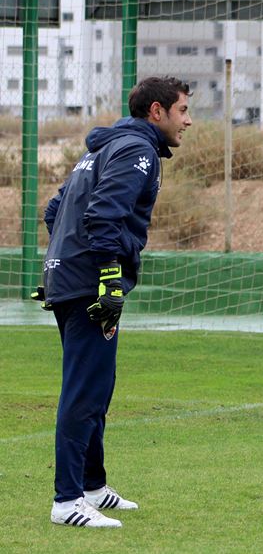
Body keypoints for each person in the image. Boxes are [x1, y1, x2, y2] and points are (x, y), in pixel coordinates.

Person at [36, 76, 192, 527]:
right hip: (90, 285)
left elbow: (54, 210)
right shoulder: (138, 151)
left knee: (97, 386)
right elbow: (103, 214)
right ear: (157, 111)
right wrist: (106, 276)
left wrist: (65, 263)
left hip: (69, 279)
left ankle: (93, 487)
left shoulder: (101, 148)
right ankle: (67, 502)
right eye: (182, 111)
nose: (188, 121)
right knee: (85, 391)